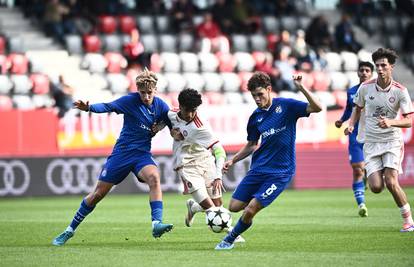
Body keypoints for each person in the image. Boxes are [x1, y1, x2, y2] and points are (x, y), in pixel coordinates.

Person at [52, 68, 174, 246]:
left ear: (155, 90)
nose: (146, 96)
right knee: (97, 194)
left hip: (142, 155)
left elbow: (172, 126)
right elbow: (108, 106)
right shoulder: (130, 101)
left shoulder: (161, 106)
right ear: (137, 90)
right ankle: (69, 230)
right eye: (143, 93)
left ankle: (156, 223)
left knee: (154, 177)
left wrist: (171, 129)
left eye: (149, 93)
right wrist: (89, 108)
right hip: (122, 154)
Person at [215, 72, 323, 250]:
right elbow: (251, 145)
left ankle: (230, 239)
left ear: (269, 89)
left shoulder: (286, 106)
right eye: (254, 96)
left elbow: (317, 108)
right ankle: (245, 219)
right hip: (258, 169)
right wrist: (232, 160)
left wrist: (301, 88)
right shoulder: (255, 117)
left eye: (260, 94)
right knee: (234, 207)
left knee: (250, 210)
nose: (257, 99)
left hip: (281, 172)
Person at [156, 88, 245, 242]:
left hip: (205, 161)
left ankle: (194, 207)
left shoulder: (200, 126)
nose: (191, 114)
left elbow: (220, 151)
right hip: (186, 165)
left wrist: (218, 176)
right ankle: (231, 233)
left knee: (218, 205)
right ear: (180, 106)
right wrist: (162, 129)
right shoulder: (171, 114)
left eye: (194, 110)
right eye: (187, 110)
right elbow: (165, 119)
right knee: (212, 210)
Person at [345, 48, 414, 232]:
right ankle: (377, 172)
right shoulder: (365, 87)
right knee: (376, 187)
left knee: (391, 182)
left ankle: (408, 220)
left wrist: (390, 122)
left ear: (391, 66)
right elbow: (357, 108)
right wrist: (352, 124)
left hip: (392, 141)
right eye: (378, 66)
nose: (380, 69)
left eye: (384, 65)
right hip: (371, 142)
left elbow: (409, 121)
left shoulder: (401, 91)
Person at [335, 61, 374, 217]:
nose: (364, 73)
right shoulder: (351, 91)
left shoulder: (377, 91)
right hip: (355, 135)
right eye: (362, 70)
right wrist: (341, 120)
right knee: (358, 168)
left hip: (373, 135)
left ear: (371, 73)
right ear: (358, 73)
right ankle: (362, 205)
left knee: (377, 180)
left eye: (367, 70)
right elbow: (348, 110)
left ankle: (366, 178)